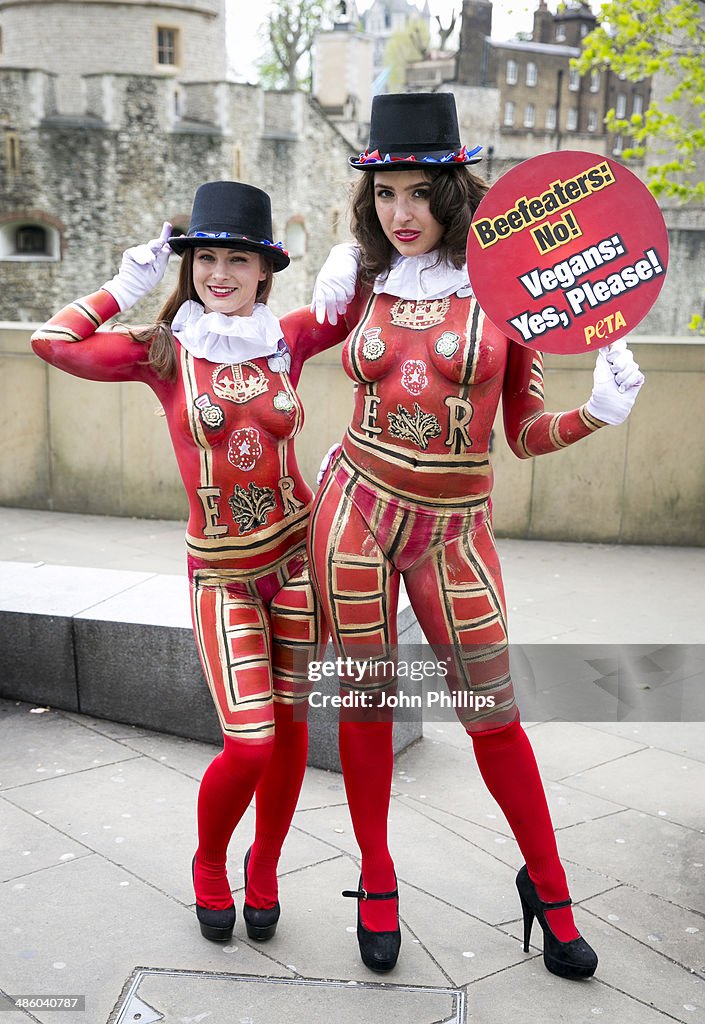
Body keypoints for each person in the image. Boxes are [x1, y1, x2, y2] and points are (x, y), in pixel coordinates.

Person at [308, 93, 644, 977]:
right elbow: (256, 341)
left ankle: (550, 887)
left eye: (419, 193)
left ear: (455, 191)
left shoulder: (507, 291)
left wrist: (596, 415)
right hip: (355, 499)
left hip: (454, 522)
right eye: (383, 196)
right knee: (369, 697)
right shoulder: (367, 279)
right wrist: (320, 280)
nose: (400, 214)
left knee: (492, 714)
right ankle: (375, 880)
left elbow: (524, 431)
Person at [31, 181, 344, 945]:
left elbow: (384, 299)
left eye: (239, 259)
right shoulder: (164, 352)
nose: (221, 274)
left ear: (265, 271)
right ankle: (211, 864)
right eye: (208, 258)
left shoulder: (288, 337)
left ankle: (265, 866)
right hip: (223, 575)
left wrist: (349, 261)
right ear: (189, 266)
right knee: (250, 741)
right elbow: (52, 344)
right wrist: (121, 288)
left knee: (293, 726)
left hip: (297, 561)